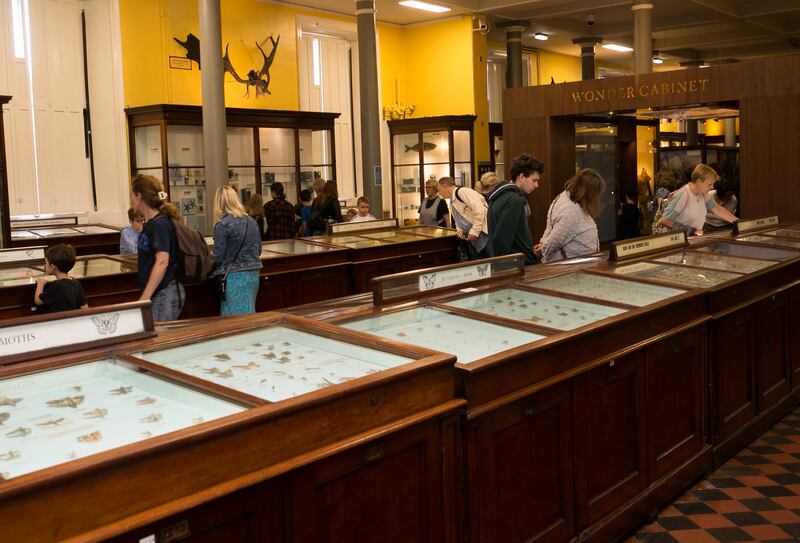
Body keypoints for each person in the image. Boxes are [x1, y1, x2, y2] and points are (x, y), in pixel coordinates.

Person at [131, 174, 184, 322]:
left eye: (132, 196)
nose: (131, 201)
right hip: (158, 293)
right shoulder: (150, 224)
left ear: (139, 196)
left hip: (164, 293)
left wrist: (146, 296)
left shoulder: (160, 224)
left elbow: (162, 262)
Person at [210, 185, 263, 316]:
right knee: (246, 312)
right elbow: (259, 249)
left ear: (219, 203)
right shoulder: (251, 221)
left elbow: (218, 257)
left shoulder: (222, 225)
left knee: (239, 319)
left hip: (235, 277)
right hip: (253, 275)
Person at [535, 168, 605, 262]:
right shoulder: (571, 211)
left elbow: (551, 230)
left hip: (581, 263)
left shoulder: (567, 198)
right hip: (573, 267)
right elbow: (556, 240)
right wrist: (543, 248)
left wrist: (543, 243)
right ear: (590, 193)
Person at [487, 153, 543, 265]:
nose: (537, 185)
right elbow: (501, 240)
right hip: (514, 266)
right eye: (534, 180)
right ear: (521, 177)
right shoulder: (514, 200)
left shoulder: (498, 197)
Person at [654, 164, 739, 236]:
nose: (712, 187)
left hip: (689, 238)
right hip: (674, 241)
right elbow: (665, 220)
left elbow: (718, 209)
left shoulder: (703, 194)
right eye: (709, 184)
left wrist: (739, 223)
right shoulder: (682, 195)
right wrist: (691, 230)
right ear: (699, 181)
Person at [437, 176, 488, 259]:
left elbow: (479, 210)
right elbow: (459, 219)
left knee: (492, 264)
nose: (439, 193)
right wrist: (459, 229)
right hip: (475, 240)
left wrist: (475, 230)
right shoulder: (451, 202)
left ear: (445, 187)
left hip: (485, 235)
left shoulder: (463, 192)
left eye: (439, 190)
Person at [34, 244, 88, 312]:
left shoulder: (56, 285)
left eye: (46, 263)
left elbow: (38, 301)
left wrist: (40, 284)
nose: (45, 265)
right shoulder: (76, 283)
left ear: (53, 266)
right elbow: (84, 307)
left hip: (59, 320)